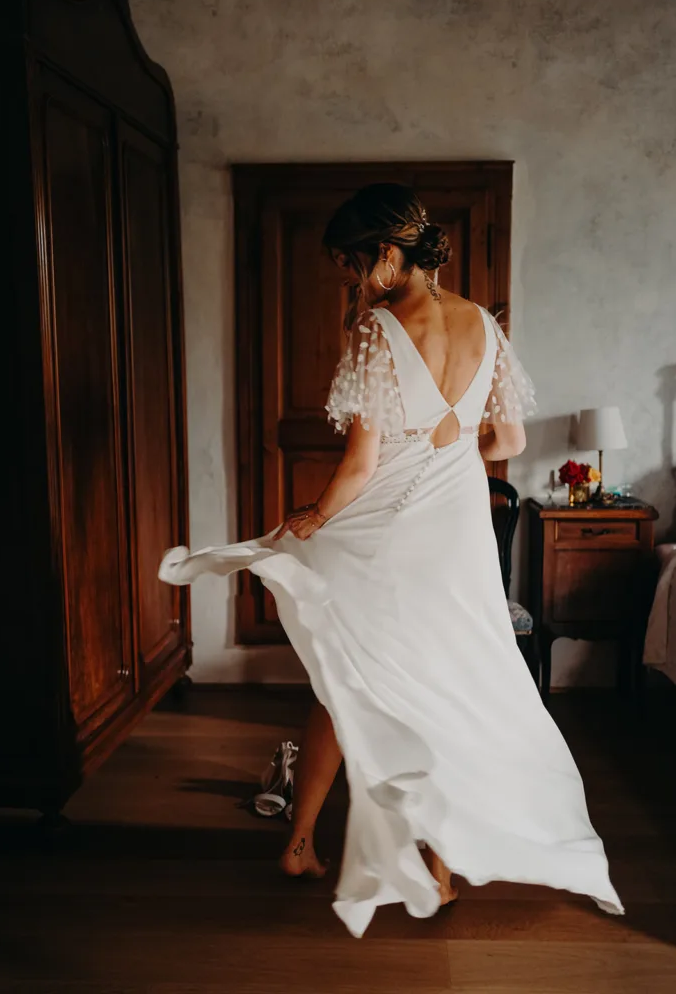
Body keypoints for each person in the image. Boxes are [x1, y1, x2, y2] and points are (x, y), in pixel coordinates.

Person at [159, 183, 624, 938]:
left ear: (384, 252)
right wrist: (444, 457)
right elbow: (505, 443)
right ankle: (437, 873)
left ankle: (302, 845)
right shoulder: (482, 322)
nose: (348, 277)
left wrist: (311, 516)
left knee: (347, 680)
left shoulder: (378, 327)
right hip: (455, 534)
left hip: (386, 531)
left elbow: (358, 464)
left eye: (350, 262)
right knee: (443, 684)